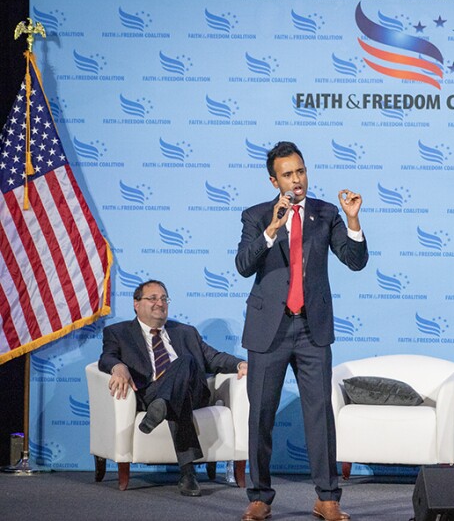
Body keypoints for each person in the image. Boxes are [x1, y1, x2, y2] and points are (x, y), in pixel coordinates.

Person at [237, 141, 368, 521]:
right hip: (268, 331)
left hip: (312, 328)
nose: (297, 180)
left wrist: (354, 220)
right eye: (288, 174)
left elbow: (354, 261)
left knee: (319, 414)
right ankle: (259, 497)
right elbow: (244, 265)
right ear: (273, 179)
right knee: (261, 413)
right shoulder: (257, 215)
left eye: (301, 171)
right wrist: (272, 228)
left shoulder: (327, 213)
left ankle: (327, 498)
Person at [99, 279, 247, 497]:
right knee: (177, 398)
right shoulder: (118, 332)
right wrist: (118, 366)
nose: (160, 303)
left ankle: (162, 407)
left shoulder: (186, 332)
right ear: (136, 304)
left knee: (185, 361)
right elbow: (107, 357)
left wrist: (239, 364)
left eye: (164, 298)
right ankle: (187, 473)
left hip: (193, 391)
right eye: (153, 298)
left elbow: (213, 358)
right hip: (150, 393)